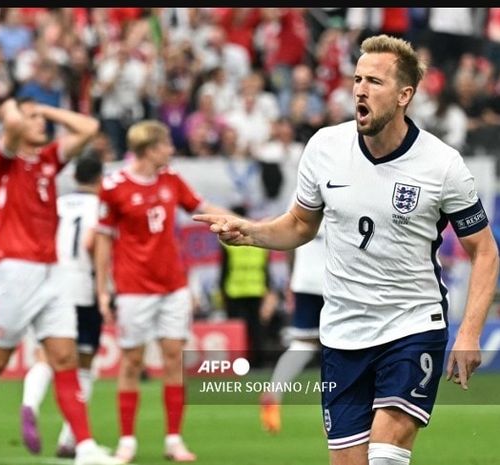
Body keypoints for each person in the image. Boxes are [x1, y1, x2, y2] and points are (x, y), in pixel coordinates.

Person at [194, 34, 499, 465]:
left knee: (386, 453)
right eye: (357, 79)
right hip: (342, 332)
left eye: (374, 81)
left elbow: (484, 250)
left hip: (410, 325)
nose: (359, 89)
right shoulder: (324, 148)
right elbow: (300, 224)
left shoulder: (442, 165)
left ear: (404, 95)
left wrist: (468, 333)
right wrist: (250, 233)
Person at [0, 97, 123, 465]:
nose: (43, 125)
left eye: (42, 120)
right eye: (34, 120)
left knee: (65, 357)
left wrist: (42, 109)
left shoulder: (49, 161)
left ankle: (84, 447)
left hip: (52, 271)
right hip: (14, 270)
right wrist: (15, 110)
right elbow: (11, 127)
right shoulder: (2, 161)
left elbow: (88, 127)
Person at [94, 120, 232, 463]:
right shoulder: (114, 187)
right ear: (150, 149)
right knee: (131, 362)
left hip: (173, 284)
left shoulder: (170, 179)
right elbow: (102, 240)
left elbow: (201, 207)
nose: (171, 149)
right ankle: (127, 441)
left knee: (174, 358)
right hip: (133, 288)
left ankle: (174, 439)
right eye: (166, 144)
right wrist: (102, 289)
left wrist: (244, 222)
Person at [20, 153, 106, 459]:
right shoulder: (101, 207)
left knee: (46, 357)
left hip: (49, 284)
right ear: (100, 178)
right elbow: (92, 244)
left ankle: (30, 401)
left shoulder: (57, 204)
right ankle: (70, 438)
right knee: (83, 364)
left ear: (74, 178)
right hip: (83, 286)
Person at [260, 225, 326, 434]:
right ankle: (333, 410)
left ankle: (274, 391)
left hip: (304, 280)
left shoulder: (302, 192)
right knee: (339, 345)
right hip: (336, 281)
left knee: (303, 343)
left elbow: (290, 232)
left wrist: (292, 274)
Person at [219, 204, 279, 369]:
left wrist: (222, 292)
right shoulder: (258, 241)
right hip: (256, 290)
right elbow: (266, 270)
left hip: (235, 291)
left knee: (237, 331)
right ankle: (259, 362)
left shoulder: (227, 243)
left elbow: (224, 270)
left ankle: (238, 362)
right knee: (256, 328)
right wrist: (269, 290)